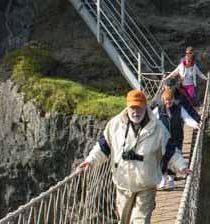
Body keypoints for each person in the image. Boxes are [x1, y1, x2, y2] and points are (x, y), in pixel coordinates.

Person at [76, 90, 189, 224]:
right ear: (127, 107)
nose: (136, 111)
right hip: (123, 184)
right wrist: (90, 161)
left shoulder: (157, 127)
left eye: (139, 107)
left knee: (140, 220)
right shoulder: (115, 125)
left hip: (147, 183)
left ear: (145, 107)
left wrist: (181, 166)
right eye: (132, 107)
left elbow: (170, 150)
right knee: (124, 220)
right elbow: (102, 147)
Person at [152, 87, 200, 190]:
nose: (168, 102)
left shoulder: (179, 109)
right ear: (163, 100)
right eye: (166, 100)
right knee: (163, 159)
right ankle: (163, 179)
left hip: (176, 137)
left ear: (173, 99)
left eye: (170, 100)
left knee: (175, 156)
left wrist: (195, 124)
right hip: (163, 140)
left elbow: (186, 118)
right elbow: (151, 121)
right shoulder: (158, 111)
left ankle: (171, 179)